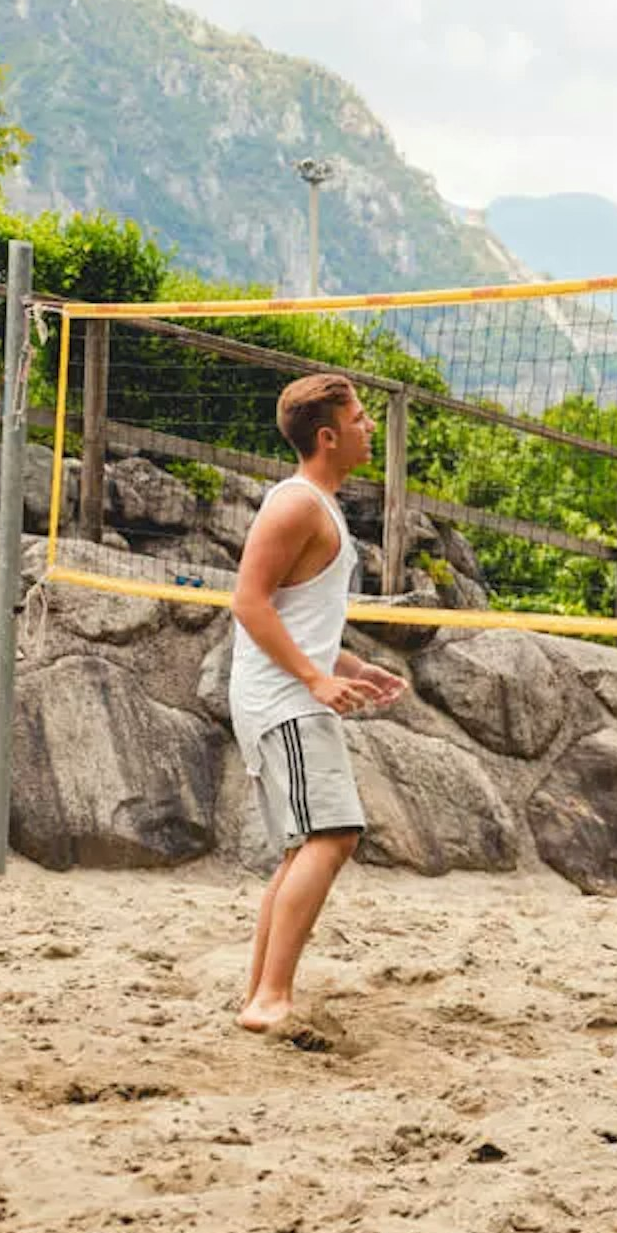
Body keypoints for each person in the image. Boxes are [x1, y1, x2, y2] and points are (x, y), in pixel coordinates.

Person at [229, 374, 407, 1033]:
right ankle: (272, 995)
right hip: (282, 700)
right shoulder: (296, 504)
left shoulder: (319, 506)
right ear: (328, 437)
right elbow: (248, 602)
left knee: (305, 846)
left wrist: (354, 667)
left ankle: (261, 995)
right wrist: (313, 679)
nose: (370, 427)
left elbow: (293, 616)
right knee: (334, 835)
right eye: (360, 419)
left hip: (288, 692)